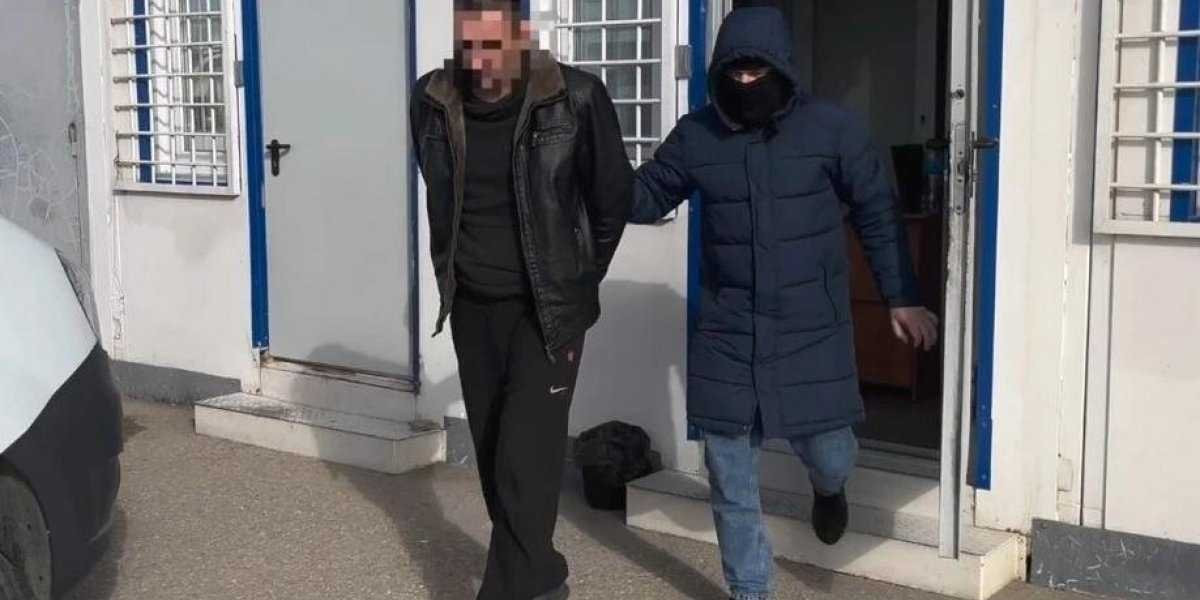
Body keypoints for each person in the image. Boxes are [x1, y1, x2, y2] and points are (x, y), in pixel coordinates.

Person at [629, 6, 939, 600]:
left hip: (810, 327)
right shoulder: (697, 135)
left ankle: (829, 489)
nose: (746, 83)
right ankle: (750, 590)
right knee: (729, 473)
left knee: (830, 452)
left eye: (757, 72)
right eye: (735, 73)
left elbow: (876, 212)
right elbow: (647, 196)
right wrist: (588, 174)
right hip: (727, 329)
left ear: (782, 68)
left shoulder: (833, 130)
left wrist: (901, 298)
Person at [409, 1, 632, 598]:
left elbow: (611, 200)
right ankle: (544, 577)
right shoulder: (431, 100)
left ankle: (511, 589)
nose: (482, 63)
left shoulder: (574, 97)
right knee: (491, 456)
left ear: (521, 37)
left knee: (522, 461)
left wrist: (577, 281)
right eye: (470, 47)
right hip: (472, 306)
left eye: (494, 46)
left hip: (547, 312)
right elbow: (441, 187)